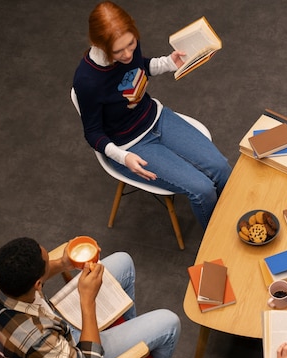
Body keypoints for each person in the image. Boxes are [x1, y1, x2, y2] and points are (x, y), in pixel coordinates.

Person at [0, 237, 196, 358]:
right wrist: (88, 301)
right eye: (48, 262)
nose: (52, 262)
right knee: (169, 322)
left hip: (47, 322)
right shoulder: (37, 342)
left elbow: (30, 281)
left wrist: (64, 263)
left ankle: (137, 344)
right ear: (38, 284)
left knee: (122, 261)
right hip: (67, 355)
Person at [72, 1, 232, 229]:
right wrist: (122, 157)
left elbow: (140, 67)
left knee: (222, 169)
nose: (128, 54)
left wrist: (169, 62)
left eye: (131, 44)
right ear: (97, 43)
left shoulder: (128, 46)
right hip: (129, 146)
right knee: (203, 189)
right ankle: (218, 240)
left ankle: (234, 221)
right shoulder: (87, 81)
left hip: (156, 118)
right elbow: (93, 133)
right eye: (118, 51)